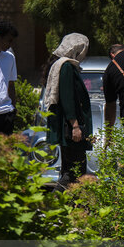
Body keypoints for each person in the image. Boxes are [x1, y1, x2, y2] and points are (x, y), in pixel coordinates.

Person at [42, 33, 92, 192]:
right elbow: (67, 98)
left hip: (69, 128)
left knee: (69, 169)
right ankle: (55, 203)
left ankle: (68, 208)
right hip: (71, 129)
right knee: (75, 171)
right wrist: (75, 126)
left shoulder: (65, 66)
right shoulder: (66, 67)